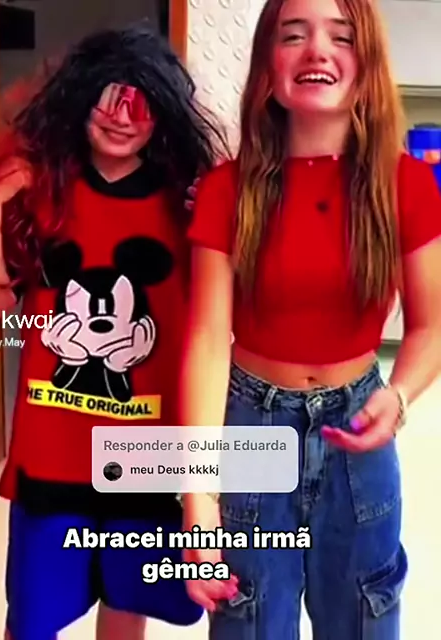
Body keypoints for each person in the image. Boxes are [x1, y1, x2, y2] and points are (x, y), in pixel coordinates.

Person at [180, 0, 441, 638]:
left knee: (363, 612)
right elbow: (208, 340)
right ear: (268, 66)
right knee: (248, 616)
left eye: (340, 36)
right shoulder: (226, 189)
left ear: (366, 62)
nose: (317, 50)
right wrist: (198, 502)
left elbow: (432, 326)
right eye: (293, 35)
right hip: (250, 425)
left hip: (357, 433)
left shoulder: (406, 186)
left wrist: (399, 397)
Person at [0, 26, 228, 640]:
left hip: (145, 457)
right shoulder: (43, 190)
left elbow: (221, 320)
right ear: (78, 97)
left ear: (163, 113)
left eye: (140, 99)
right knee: (31, 618)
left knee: (126, 599)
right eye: (106, 94)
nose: (120, 114)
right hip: (51, 458)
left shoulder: (185, 202)